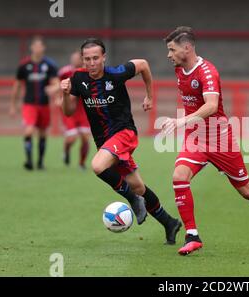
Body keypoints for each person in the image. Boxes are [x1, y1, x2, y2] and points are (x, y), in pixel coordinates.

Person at [162, 26, 249, 256]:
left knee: (245, 190)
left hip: (221, 140)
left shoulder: (208, 72)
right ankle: (192, 235)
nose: (168, 55)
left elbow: (211, 106)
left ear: (187, 48)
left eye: (172, 49)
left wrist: (181, 121)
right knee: (179, 176)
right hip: (196, 138)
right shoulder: (179, 70)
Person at [60, 38, 182, 244]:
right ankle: (169, 222)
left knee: (98, 165)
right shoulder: (78, 79)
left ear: (103, 57)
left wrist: (149, 96)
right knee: (138, 186)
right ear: (82, 60)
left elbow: (143, 64)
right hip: (105, 144)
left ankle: (133, 201)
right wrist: (64, 94)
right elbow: (69, 112)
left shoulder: (116, 73)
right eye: (87, 59)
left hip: (125, 134)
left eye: (95, 58)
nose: (91, 63)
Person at [10, 36, 60, 170]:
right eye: (35, 46)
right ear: (31, 47)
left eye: (40, 46)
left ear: (43, 48)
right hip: (29, 104)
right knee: (29, 130)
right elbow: (17, 86)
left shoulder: (50, 65)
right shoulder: (24, 65)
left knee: (43, 133)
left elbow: (56, 83)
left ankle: (40, 161)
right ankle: (29, 161)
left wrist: (55, 92)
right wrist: (13, 106)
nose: (38, 48)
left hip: (44, 104)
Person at [56, 50, 91, 169]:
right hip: (70, 109)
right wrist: (58, 97)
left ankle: (81, 163)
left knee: (86, 137)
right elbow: (58, 84)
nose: (75, 60)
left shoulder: (88, 73)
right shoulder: (65, 71)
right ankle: (66, 150)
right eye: (73, 58)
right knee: (72, 138)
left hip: (83, 110)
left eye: (77, 58)